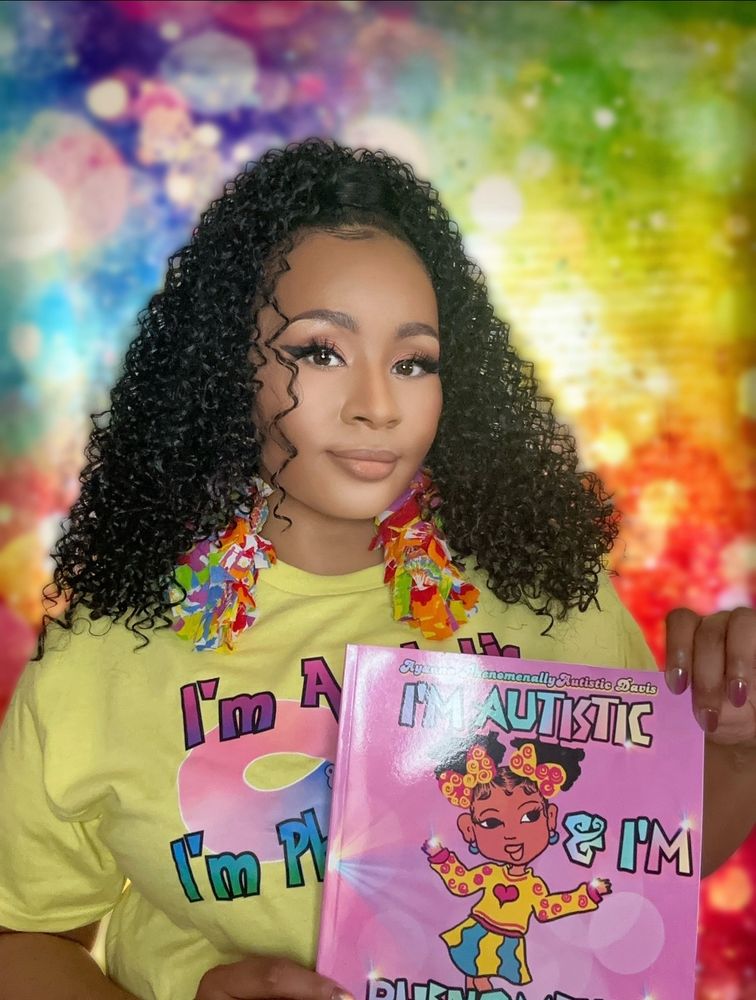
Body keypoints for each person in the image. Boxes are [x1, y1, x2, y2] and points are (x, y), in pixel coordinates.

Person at [0, 138, 753, 1000]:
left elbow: (642, 873)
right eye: (320, 351)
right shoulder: (102, 657)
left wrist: (741, 749)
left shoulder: (547, 602)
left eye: (413, 361)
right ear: (224, 364)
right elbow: (19, 934)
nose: (377, 405)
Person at [422, 735, 610, 990]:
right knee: (476, 976)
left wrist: (586, 896)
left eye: (530, 816)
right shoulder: (490, 873)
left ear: (550, 817)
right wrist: (443, 860)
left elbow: (547, 908)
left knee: (481, 979)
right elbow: (462, 884)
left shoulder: (533, 886)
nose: (511, 834)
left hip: (509, 940)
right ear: (469, 829)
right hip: (478, 932)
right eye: (491, 822)